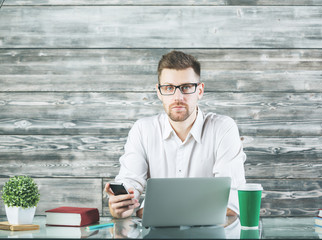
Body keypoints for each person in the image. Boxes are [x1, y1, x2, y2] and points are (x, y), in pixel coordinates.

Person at [104, 50, 246, 219]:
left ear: (199, 91)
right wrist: (121, 205)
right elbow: (130, 183)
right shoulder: (143, 130)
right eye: (169, 88)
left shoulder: (223, 129)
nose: (178, 97)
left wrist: (154, 211)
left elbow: (231, 204)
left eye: (186, 87)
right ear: (159, 92)